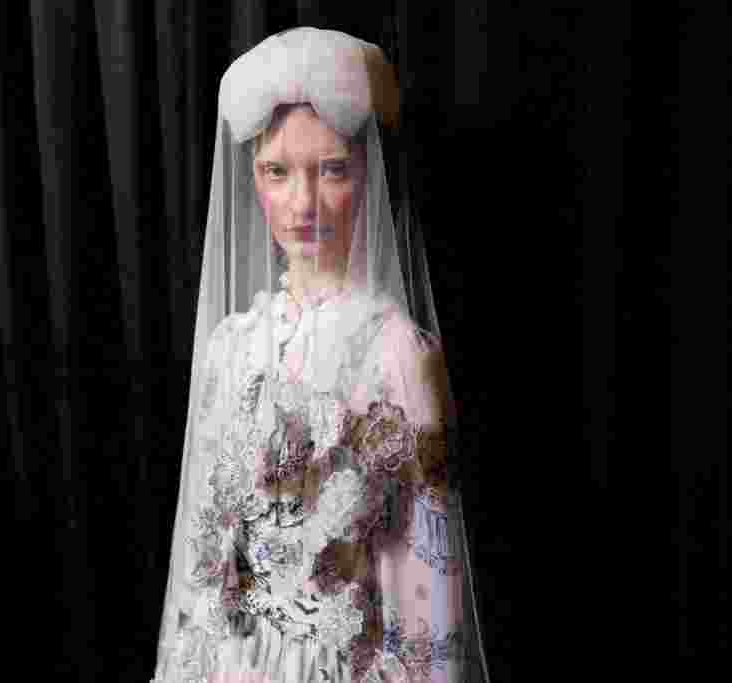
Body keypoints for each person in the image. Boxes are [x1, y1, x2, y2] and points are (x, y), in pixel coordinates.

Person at [151, 27, 489, 682]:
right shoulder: (231, 347)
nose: (302, 203)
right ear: (253, 177)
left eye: (331, 168)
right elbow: (205, 556)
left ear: (366, 170)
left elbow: (427, 600)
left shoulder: (397, 356)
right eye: (277, 172)